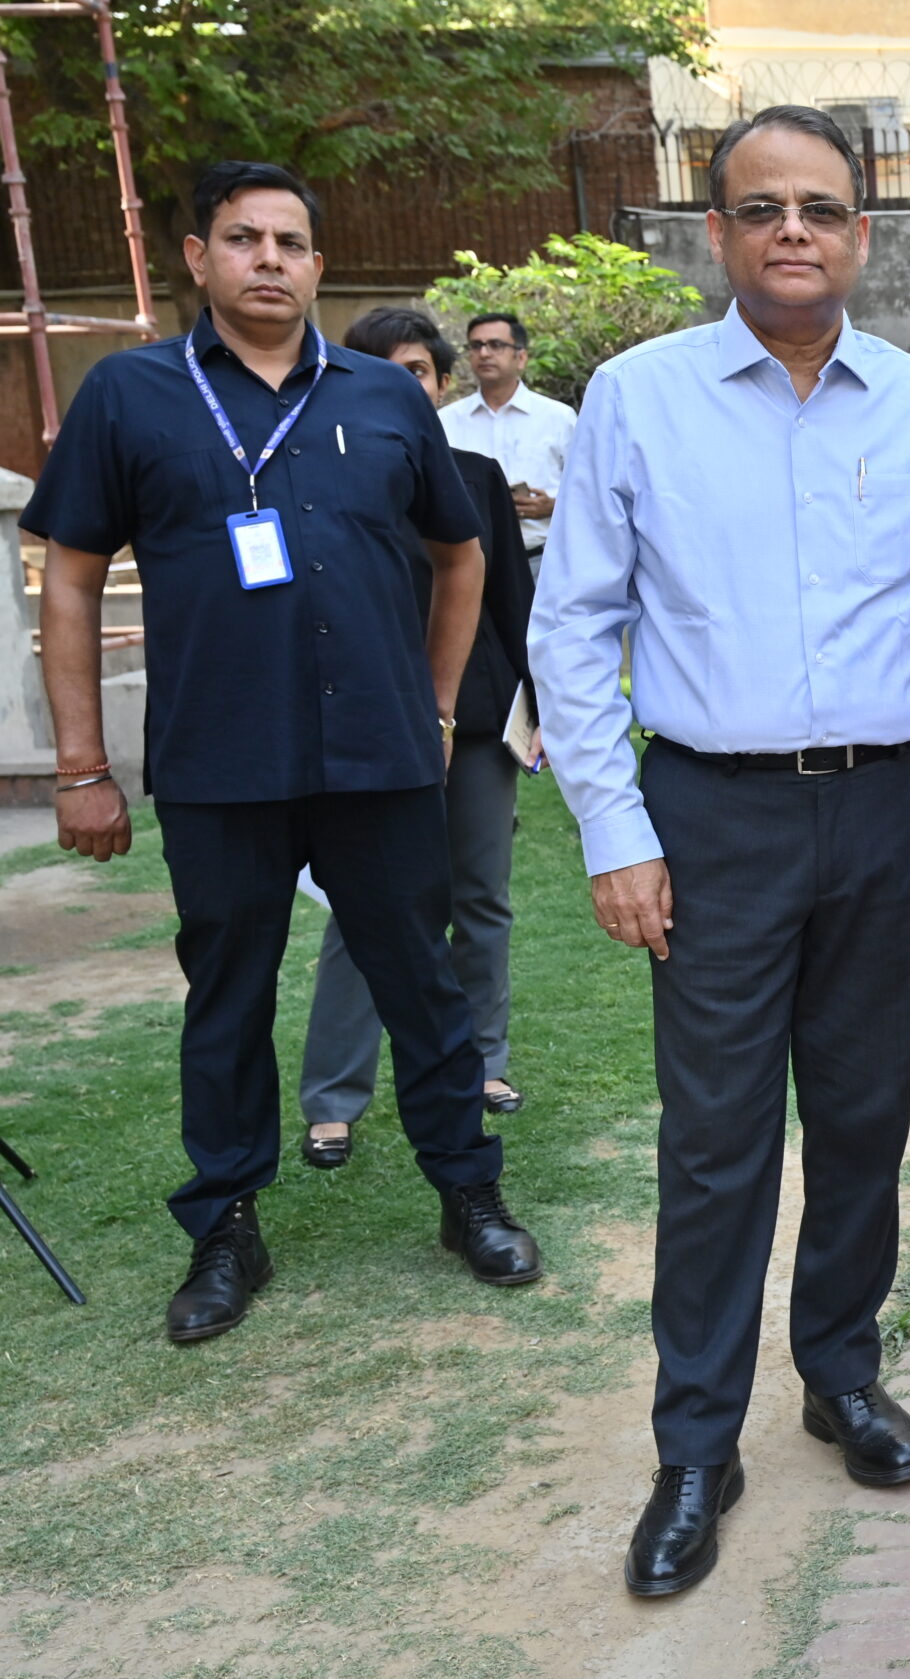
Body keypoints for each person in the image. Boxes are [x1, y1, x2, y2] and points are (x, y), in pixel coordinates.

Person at [529, 104, 910, 1598]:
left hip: (889, 806)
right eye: (760, 208)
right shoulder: (638, 398)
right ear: (717, 234)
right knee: (717, 1138)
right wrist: (616, 830)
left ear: (861, 233)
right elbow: (574, 627)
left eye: (818, 207)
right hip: (712, 817)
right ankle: (696, 1442)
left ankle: (842, 1373)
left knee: (865, 1115)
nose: (791, 230)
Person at [27, 160, 542, 1344]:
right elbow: (72, 575)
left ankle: (469, 1194)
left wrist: (436, 706)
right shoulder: (131, 395)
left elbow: (459, 554)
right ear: (196, 257)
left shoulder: (385, 394)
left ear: (317, 264)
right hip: (219, 761)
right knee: (227, 997)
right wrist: (80, 765)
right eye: (242, 237)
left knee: (423, 985)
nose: (269, 258)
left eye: (291, 242)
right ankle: (224, 1226)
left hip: (380, 758)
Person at [296, 305, 541, 1169]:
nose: (408, 386)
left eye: (421, 372)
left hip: (474, 720)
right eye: (387, 370)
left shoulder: (476, 476)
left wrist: (536, 709)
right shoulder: (319, 479)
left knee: (481, 898)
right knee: (364, 906)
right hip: (372, 726)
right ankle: (334, 1096)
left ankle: (484, 1061)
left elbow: (512, 603)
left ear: (439, 384)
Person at [438, 311, 577, 572]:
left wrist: (552, 506)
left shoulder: (558, 417)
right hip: (469, 565)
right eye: (476, 345)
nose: (484, 353)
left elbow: (587, 490)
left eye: (496, 345)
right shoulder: (446, 420)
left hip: (542, 560)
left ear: (521, 357)